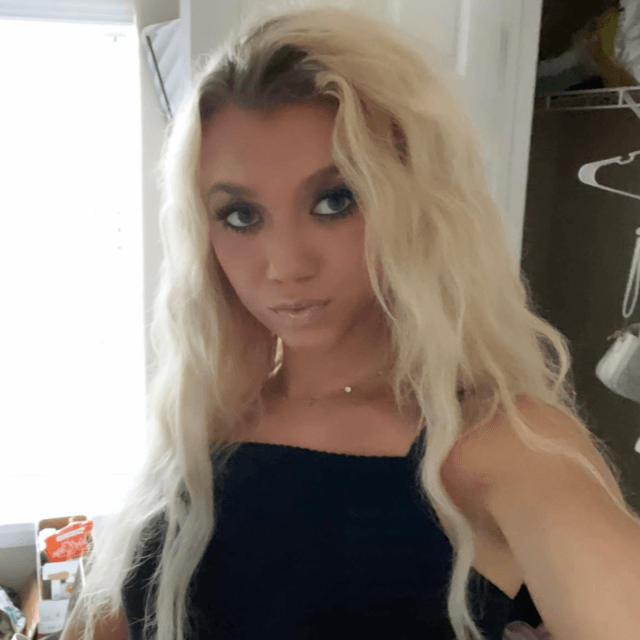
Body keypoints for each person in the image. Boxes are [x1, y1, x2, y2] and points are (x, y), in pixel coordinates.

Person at [59, 4, 639, 640]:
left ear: (417, 205)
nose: (285, 266)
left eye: (335, 201)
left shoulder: (496, 446)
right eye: (240, 216)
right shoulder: (207, 417)